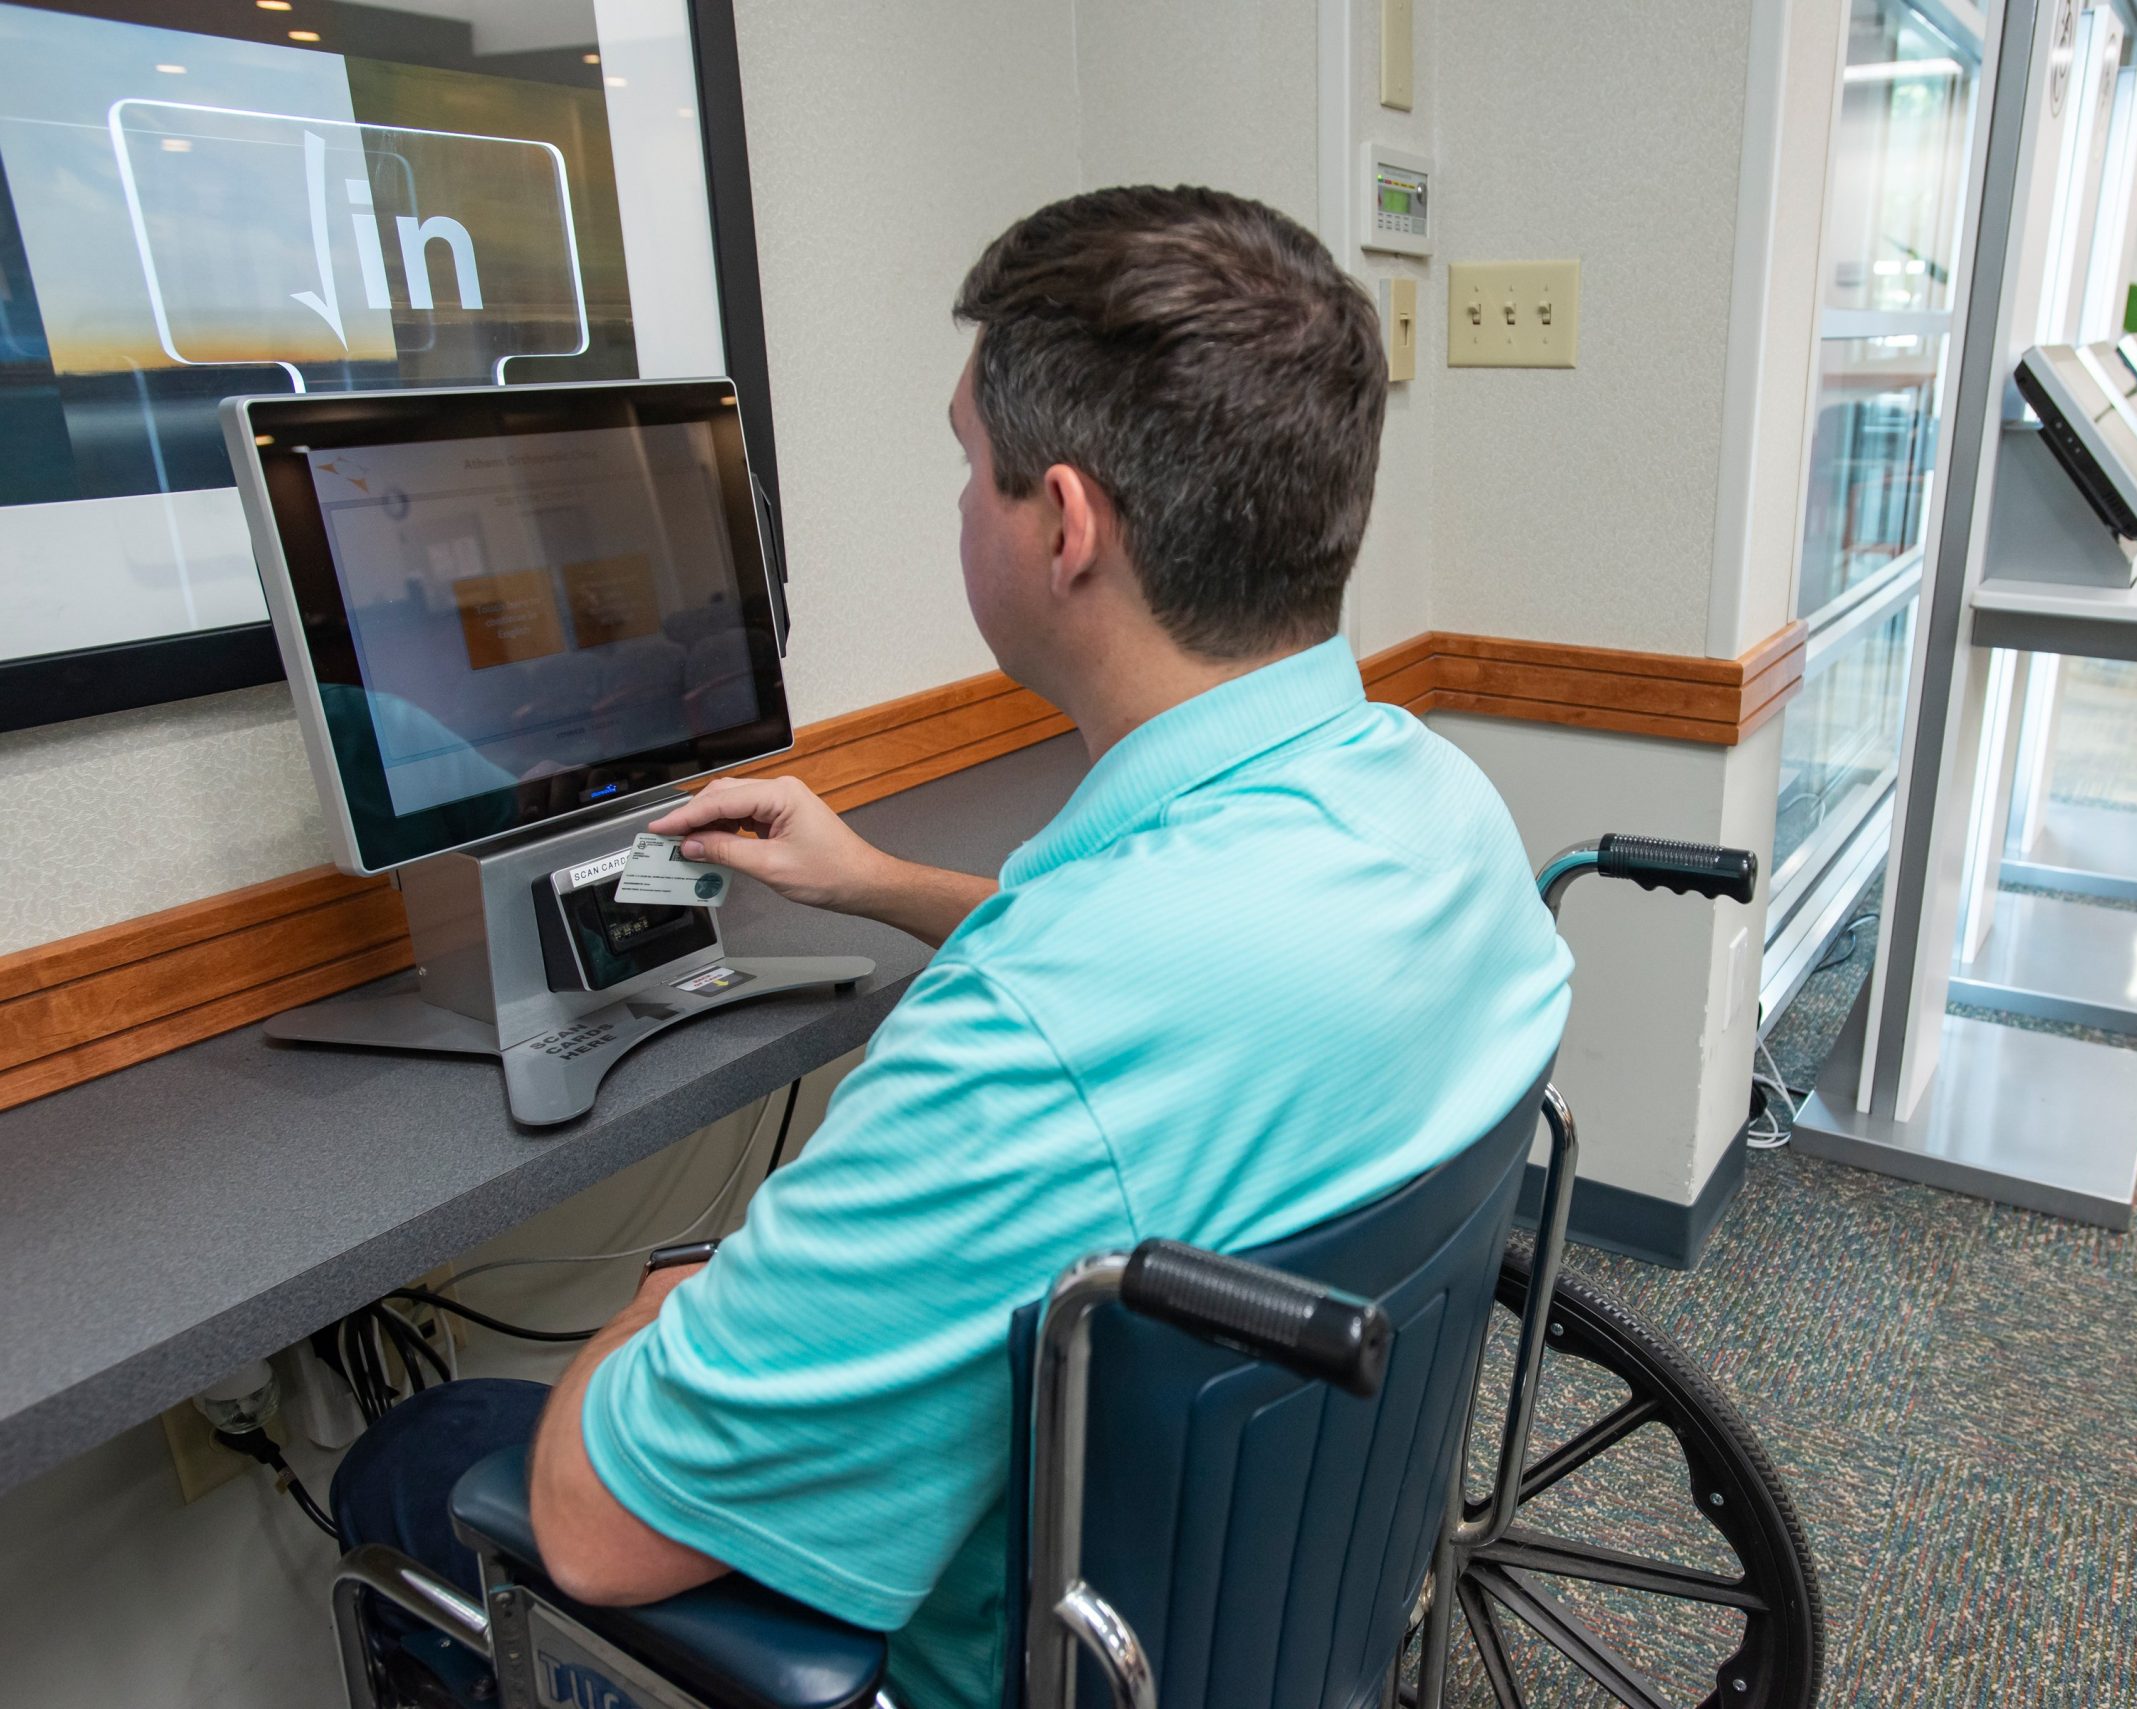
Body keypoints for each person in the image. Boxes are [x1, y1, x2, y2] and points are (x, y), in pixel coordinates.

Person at [336, 185, 1572, 1709]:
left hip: (994, 1670)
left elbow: (594, 1534)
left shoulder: (1032, 1041)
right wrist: (870, 880)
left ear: (1065, 526)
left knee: (420, 1462)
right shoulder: (1444, 814)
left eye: (968, 469)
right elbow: (1179, 1008)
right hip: (1281, 1608)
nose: (961, 505)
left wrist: (686, 1287)